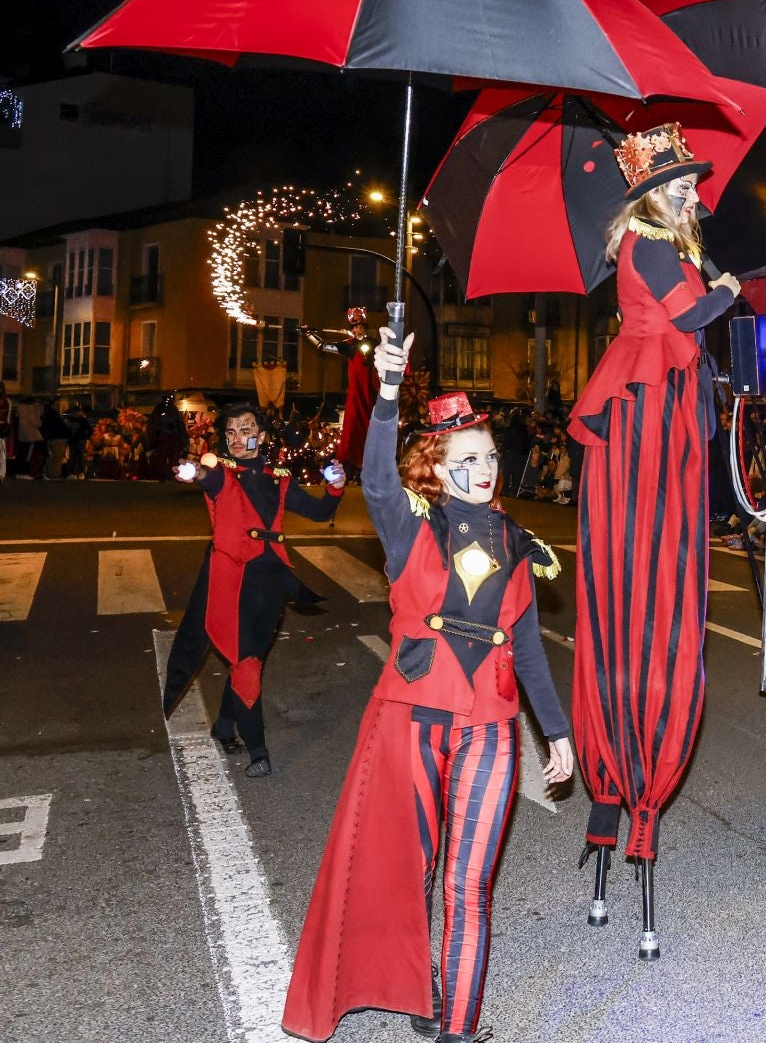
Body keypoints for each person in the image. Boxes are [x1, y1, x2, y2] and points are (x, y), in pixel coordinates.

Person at [283, 331, 573, 1043]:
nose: (483, 468)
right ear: (435, 469)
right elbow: (374, 475)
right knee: (411, 870)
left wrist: (557, 731)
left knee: (468, 886)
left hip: (490, 723)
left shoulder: (517, 542)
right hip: (411, 717)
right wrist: (385, 392)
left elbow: (529, 643)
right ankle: (418, 986)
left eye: (490, 455)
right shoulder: (409, 524)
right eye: (465, 458)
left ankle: (458, 1028)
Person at [569, 124, 740, 923]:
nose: (696, 195)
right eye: (684, 186)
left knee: (661, 580)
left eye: (692, 186)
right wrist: (730, 289)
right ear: (653, 192)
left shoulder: (665, 241)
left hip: (664, 408)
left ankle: (630, 782)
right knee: (643, 586)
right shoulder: (648, 243)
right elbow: (695, 312)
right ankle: (625, 774)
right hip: (644, 408)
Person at [162, 403, 345, 777]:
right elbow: (206, 476)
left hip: (272, 580)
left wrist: (336, 485)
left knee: (253, 659)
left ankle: (225, 725)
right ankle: (258, 749)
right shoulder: (222, 472)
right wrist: (193, 470)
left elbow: (319, 512)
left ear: (261, 436)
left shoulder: (279, 476)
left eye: (245, 430)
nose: (236, 439)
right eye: (229, 432)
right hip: (233, 580)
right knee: (245, 662)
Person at [304, 308, 377, 481]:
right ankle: (349, 465)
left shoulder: (373, 343)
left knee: (371, 428)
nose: (358, 330)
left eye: (361, 326)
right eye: (355, 327)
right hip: (356, 394)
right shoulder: (347, 345)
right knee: (353, 428)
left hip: (371, 392)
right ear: (351, 329)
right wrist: (308, 333)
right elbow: (322, 346)